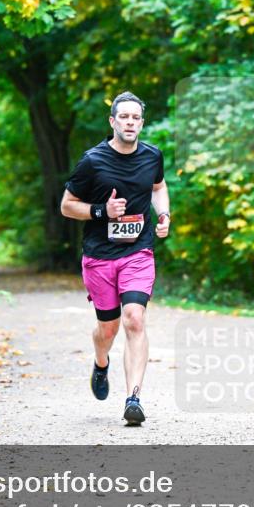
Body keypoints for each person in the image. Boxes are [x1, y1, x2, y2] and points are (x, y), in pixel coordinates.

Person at [60, 91, 171, 425]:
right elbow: (67, 205)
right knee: (106, 330)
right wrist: (101, 211)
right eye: (124, 117)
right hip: (100, 256)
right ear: (112, 122)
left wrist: (163, 214)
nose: (130, 122)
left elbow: (158, 187)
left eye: (136, 118)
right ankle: (100, 361)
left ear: (141, 122)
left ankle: (133, 399)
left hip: (138, 251)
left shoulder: (152, 156)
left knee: (134, 318)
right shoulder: (93, 161)